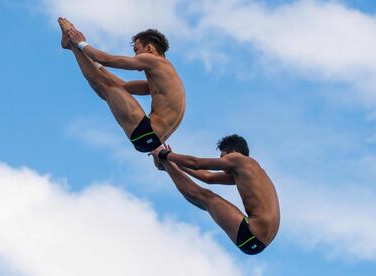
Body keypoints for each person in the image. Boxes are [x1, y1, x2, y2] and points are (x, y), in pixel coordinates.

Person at [58, 18, 185, 152]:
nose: (135, 56)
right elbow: (122, 86)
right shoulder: (163, 81)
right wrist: (88, 57)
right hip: (149, 139)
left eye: (136, 50)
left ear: (149, 49)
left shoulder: (155, 60)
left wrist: (81, 43)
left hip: (147, 131)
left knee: (104, 86)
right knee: (107, 86)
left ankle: (71, 44)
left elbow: (107, 60)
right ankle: (71, 45)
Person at [150, 134, 280, 255]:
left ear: (233, 152)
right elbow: (208, 178)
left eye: (222, 157)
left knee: (206, 198)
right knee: (207, 201)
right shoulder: (248, 172)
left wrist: (165, 154)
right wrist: (175, 162)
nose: (222, 163)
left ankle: (166, 166)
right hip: (258, 241)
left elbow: (197, 163)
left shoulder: (239, 160)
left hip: (252, 234)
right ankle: (167, 166)